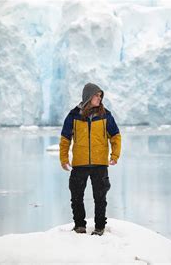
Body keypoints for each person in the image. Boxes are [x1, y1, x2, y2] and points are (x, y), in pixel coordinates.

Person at [59, 83, 121, 236]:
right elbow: (65, 138)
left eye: (100, 96)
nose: (99, 98)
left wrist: (115, 155)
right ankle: (79, 225)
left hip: (100, 164)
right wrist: (64, 158)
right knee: (76, 196)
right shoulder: (74, 115)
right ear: (88, 97)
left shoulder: (106, 115)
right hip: (80, 163)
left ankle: (99, 227)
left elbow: (115, 136)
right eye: (96, 95)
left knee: (100, 197)